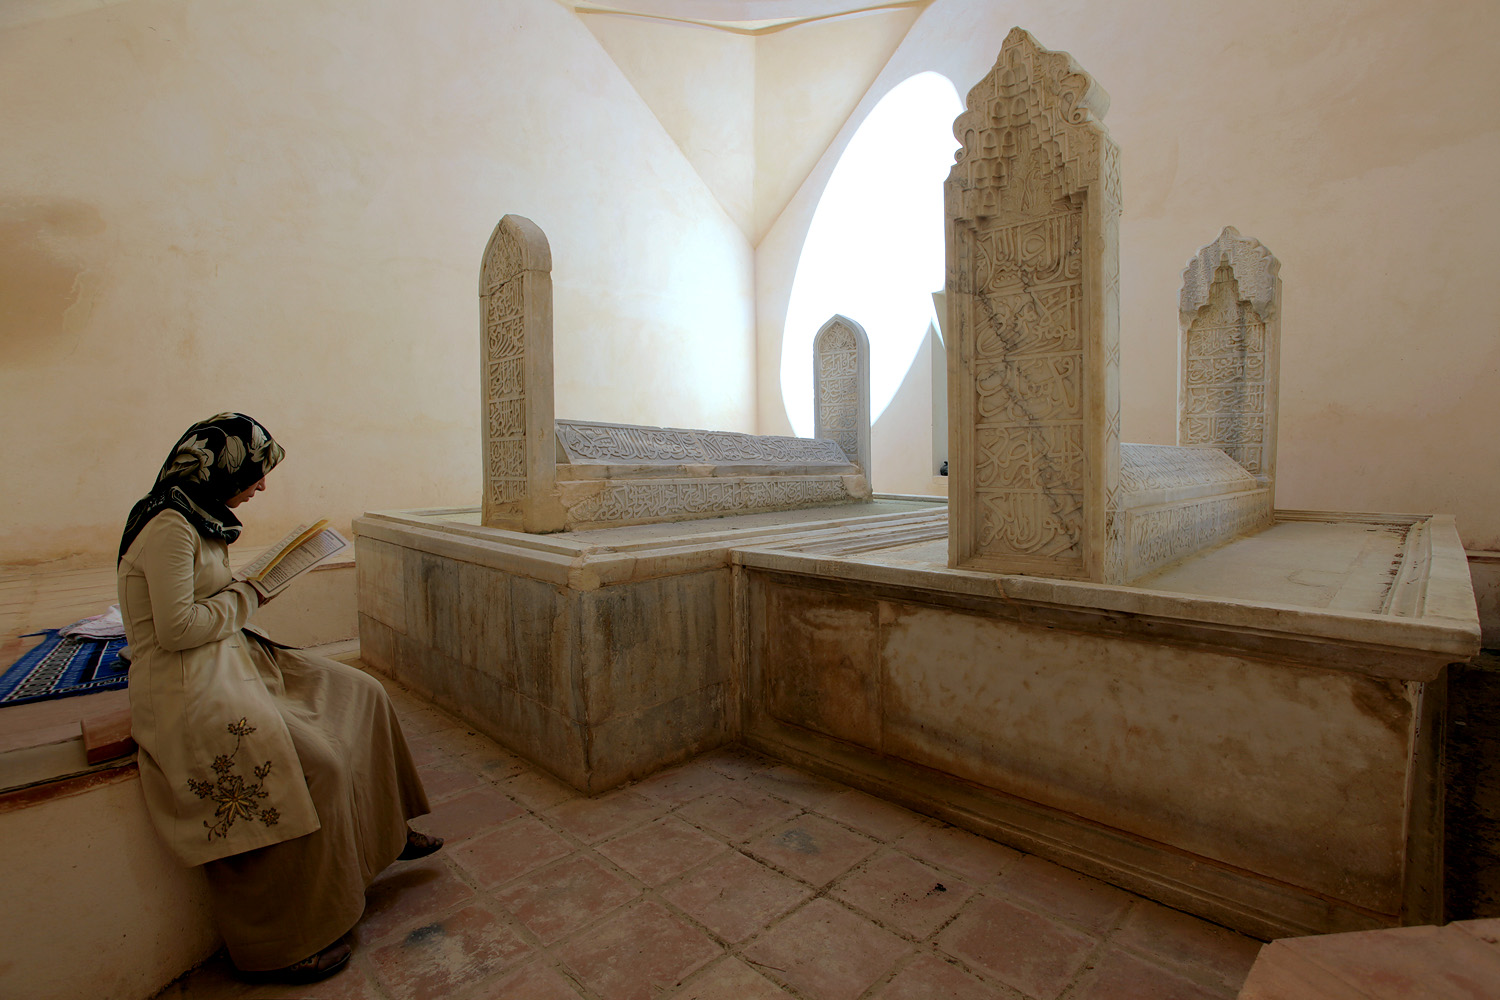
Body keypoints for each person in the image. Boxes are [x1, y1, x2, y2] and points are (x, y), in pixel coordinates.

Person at [117, 413, 439, 983]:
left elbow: (204, 600)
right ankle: (284, 943)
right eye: (254, 474)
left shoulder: (195, 513)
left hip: (230, 654)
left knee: (363, 692)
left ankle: (388, 832)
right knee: (316, 765)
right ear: (220, 470)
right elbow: (177, 629)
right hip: (189, 682)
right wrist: (253, 593)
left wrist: (248, 587)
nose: (262, 486)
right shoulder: (169, 527)